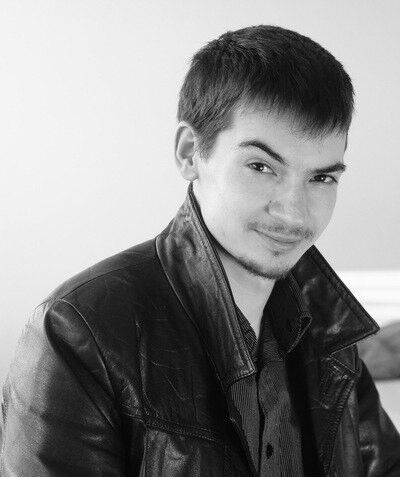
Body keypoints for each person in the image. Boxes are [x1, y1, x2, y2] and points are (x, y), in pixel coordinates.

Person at [1, 24, 399, 476]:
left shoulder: (330, 328)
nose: (294, 212)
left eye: (321, 178)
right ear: (190, 152)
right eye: (261, 166)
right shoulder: (76, 331)